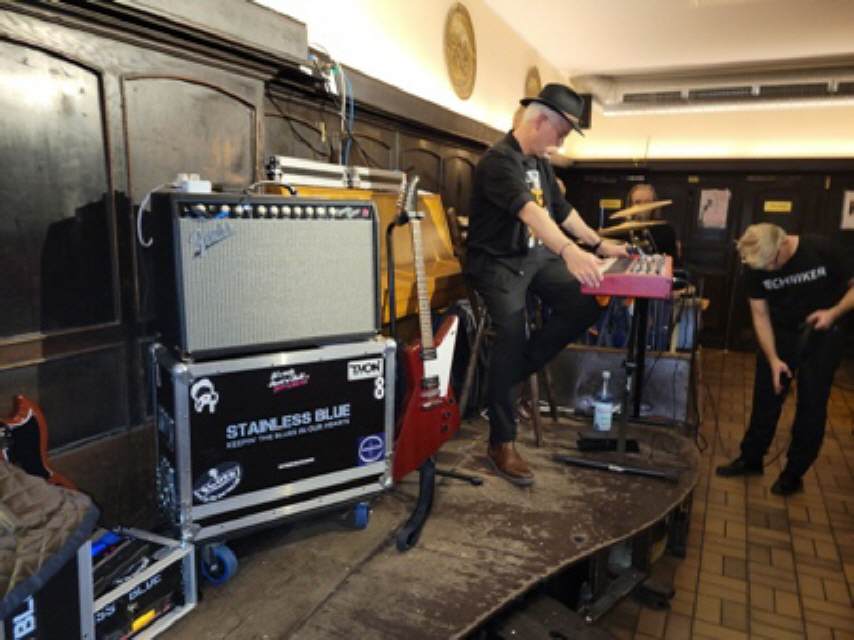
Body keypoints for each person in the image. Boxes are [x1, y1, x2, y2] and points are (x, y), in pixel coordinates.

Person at [466, 83, 628, 486]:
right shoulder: (498, 161)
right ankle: (501, 441)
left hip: (534, 259)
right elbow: (531, 214)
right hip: (497, 263)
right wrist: (569, 252)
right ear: (539, 121)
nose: (561, 143)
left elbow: (561, 210)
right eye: (561, 134)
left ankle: (512, 373)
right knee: (511, 332)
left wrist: (597, 242)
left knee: (591, 299)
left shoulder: (540, 163)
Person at [716, 223, 854, 495]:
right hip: (782, 333)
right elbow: (760, 315)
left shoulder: (821, 249)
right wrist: (774, 359)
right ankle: (751, 458)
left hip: (823, 331)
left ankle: (794, 472)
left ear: (781, 247)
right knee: (766, 394)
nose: (764, 272)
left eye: (769, 266)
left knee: (811, 403)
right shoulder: (756, 262)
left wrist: (834, 312)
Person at [625, 183, 681, 263]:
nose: (643, 206)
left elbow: (674, 264)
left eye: (647, 202)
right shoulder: (621, 231)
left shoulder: (666, 230)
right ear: (630, 205)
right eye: (637, 202)